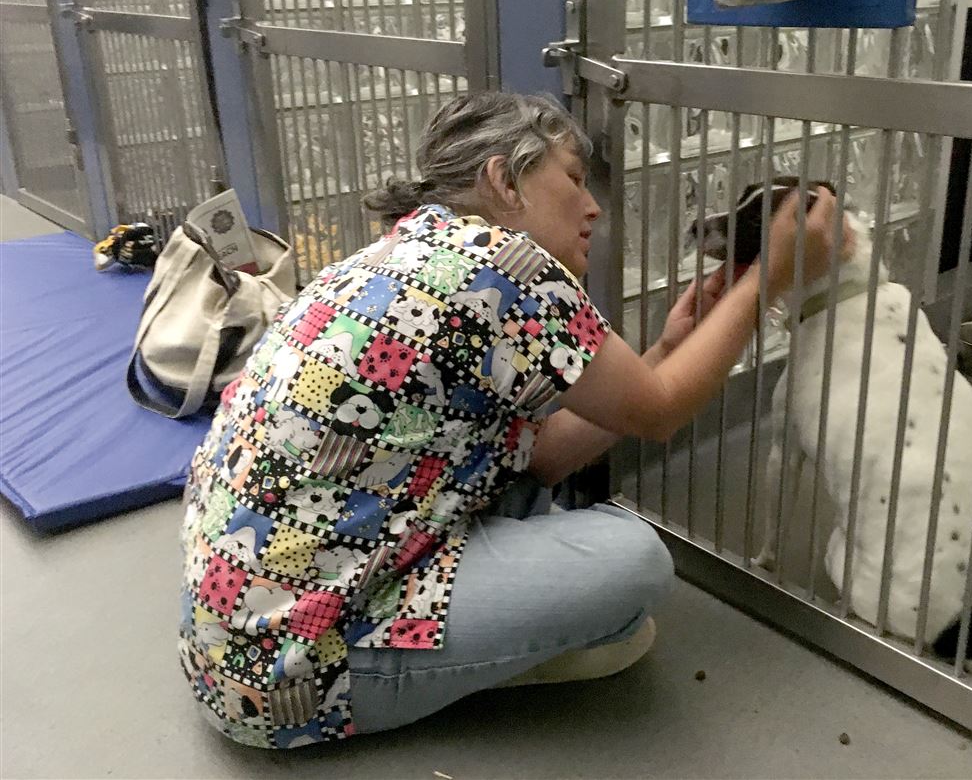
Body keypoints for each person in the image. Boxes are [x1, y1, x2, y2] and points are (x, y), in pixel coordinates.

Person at [178, 91, 844, 749]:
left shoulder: (397, 255)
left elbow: (542, 457)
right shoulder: (502, 263)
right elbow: (658, 412)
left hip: (231, 646)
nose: (594, 210)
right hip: (296, 676)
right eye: (575, 180)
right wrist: (771, 277)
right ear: (504, 180)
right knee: (634, 560)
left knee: (527, 486)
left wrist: (669, 349)